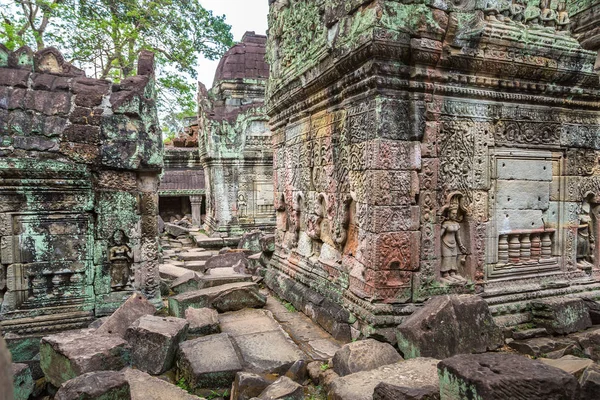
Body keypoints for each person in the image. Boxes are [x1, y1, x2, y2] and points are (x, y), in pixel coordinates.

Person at [440, 199, 468, 285]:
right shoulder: (446, 224)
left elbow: (458, 236)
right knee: (447, 258)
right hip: (445, 243)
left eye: (455, 214)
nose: (454, 215)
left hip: (454, 244)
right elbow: (440, 235)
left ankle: (453, 273)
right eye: (453, 213)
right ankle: (445, 274)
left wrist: (461, 245)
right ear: (448, 213)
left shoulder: (456, 224)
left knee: (453, 258)